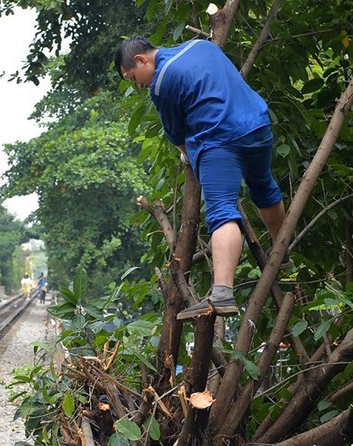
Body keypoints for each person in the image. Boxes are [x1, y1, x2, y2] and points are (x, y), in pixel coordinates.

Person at [115, 36, 288, 320]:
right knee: (264, 188)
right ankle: (282, 254)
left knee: (221, 211)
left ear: (141, 60)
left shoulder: (161, 84)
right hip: (257, 125)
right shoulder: (201, 45)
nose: (140, 85)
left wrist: (190, 157)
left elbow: (178, 137)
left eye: (134, 78)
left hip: (220, 140)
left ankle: (222, 293)